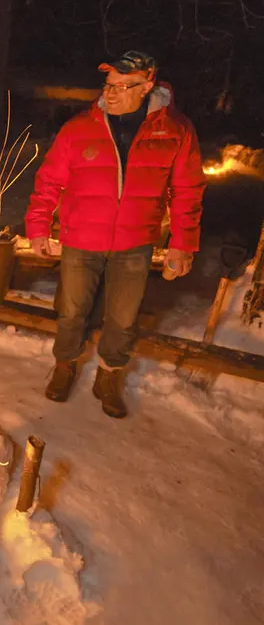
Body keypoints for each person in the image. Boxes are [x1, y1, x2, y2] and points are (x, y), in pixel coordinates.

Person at [25, 50, 205, 418]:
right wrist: (39, 226)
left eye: (124, 86)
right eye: (109, 85)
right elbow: (49, 180)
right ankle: (65, 366)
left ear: (148, 84)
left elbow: (188, 190)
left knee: (123, 317)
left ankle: (108, 375)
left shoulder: (176, 131)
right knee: (71, 312)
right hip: (80, 239)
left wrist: (182, 244)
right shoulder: (79, 128)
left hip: (135, 243)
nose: (113, 93)